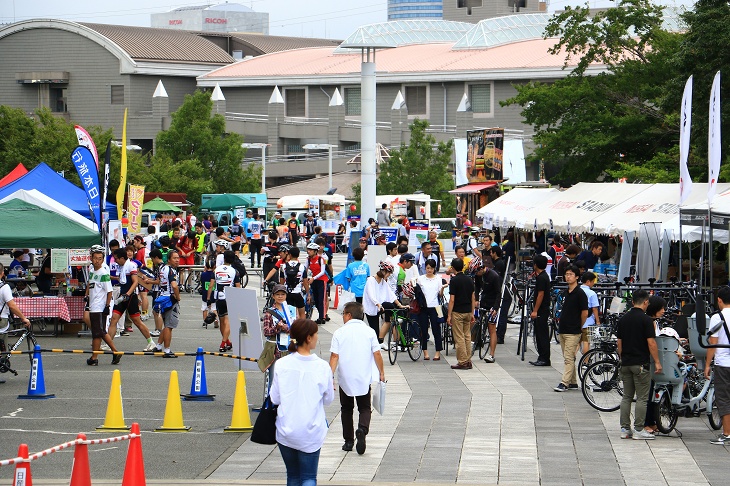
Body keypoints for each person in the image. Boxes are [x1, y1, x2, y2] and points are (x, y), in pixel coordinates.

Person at [269, 318, 334, 486]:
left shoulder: (282, 364)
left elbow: (274, 398)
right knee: (309, 477)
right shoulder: (322, 367)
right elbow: (328, 400)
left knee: (293, 477)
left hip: (286, 430)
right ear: (308, 338)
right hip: (311, 430)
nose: (317, 337)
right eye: (316, 334)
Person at [329, 302, 385, 454]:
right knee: (364, 407)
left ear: (348, 315)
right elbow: (377, 354)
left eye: (343, 314)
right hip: (363, 376)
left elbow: (335, 356)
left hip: (345, 376)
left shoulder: (339, 333)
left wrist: (330, 376)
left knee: (346, 408)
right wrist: (381, 372)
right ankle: (362, 429)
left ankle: (348, 441)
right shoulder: (369, 332)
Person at [616, 289, 661, 440]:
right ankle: (639, 429)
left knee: (627, 397)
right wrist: (657, 362)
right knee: (642, 398)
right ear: (646, 302)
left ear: (633, 301)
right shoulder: (646, 320)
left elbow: (619, 343)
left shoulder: (623, 319)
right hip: (641, 364)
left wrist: (623, 358)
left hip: (626, 363)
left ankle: (625, 429)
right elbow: (651, 343)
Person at [108, 248, 156, 351]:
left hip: (130, 297)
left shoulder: (131, 265)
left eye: (116, 259)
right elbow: (122, 280)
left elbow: (135, 282)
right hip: (122, 296)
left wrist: (128, 294)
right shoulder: (121, 267)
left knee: (137, 322)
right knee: (114, 319)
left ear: (122, 258)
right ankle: (108, 344)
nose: (115, 261)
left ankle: (151, 342)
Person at [553, 265, 588, 392]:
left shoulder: (580, 293)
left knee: (568, 358)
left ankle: (564, 383)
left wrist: (579, 325)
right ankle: (573, 382)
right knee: (568, 357)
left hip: (573, 330)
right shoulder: (566, 292)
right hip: (563, 328)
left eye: (571, 274)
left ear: (577, 277)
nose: (568, 276)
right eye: (566, 274)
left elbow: (585, 312)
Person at [85, 246, 121, 366]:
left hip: (99, 307)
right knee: (98, 332)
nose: (97, 261)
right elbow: (90, 285)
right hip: (93, 304)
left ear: (103, 260)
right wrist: (86, 296)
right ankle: (96, 357)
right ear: (91, 258)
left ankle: (112, 352)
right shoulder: (92, 271)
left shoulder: (103, 273)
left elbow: (109, 291)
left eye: (100, 259)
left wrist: (106, 306)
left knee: (98, 332)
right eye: (95, 258)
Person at [706, 286, 730, 445]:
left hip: (723, 364)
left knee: (724, 398)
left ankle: (727, 433)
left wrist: (707, 364)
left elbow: (713, 344)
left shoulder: (717, 317)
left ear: (719, 300)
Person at [362, 261, 405, 344]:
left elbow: (391, 295)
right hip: (372, 308)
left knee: (391, 308)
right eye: (388, 273)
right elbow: (371, 295)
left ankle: (383, 341)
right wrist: (378, 304)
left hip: (380, 307)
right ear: (383, 271)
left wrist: (400, 305)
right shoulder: (371, 280)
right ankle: (375, 345)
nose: (389, 275)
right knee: (374, 330)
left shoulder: (383, 282)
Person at [207, 250, 241, 352]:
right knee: (228, 321)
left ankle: (226, 341)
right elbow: (238, 287)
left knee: (222, 320)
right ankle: (223, 343)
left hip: (219, 298)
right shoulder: (235, 271)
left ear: (224, 258)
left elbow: (211, 285)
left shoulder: (216, 270)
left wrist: (209, 299)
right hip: (229, 297)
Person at [150, 249, 181, 358]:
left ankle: (158, 346)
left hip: (162, 297)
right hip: (170, 299)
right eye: (174, 258)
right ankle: (167, 350)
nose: (177, 260)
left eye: (178, 258)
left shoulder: (162, 268)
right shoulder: (171, 270)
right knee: (169, 326)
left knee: (166, 324)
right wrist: (178, 297)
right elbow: (174, 285)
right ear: (168, 259)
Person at [447, 258, 476, 369]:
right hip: (468, 311)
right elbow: (473, 297)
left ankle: (462, 361)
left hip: (458, 311)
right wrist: (472, 312)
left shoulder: (454, 281)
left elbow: (452, 300)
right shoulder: (469, 280)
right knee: (467, 337)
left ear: (453, 268)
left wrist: (449, 315)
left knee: (459, 338)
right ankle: (468, 360)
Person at [416, 260, 444, 361]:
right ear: (425, 268)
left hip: (435, 307)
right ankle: (425, 352)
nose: (429, 270)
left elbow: (440, 295)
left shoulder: (438, 279)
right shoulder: (420, 279)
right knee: (423, 330)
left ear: (434, 269)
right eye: (428, 268)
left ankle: (438, 352)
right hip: (423, 307)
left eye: (431, 268)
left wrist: (442, 289)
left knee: (436, 330)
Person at [477, 260, 502, 363]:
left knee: (492, 328)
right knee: (479, 322)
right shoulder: (478, 274)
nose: (476, 274)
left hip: (492, 303)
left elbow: (498, 293)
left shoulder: (494, 276)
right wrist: (475, 299)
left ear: (482, 268)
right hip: (483, 301)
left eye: (477, 272)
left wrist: (495, 308)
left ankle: (491, 354)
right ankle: (477, 342)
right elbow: (477, 286)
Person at [529, 254, 552, 366]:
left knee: (542, 334)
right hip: (542, 309)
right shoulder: (543, 276)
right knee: (539, 333)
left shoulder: (542, 278)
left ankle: (544, 358)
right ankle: (542, 357)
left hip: (542, 310)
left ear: (536, 265)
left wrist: (535, 310)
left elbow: (540, 295)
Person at [304, 242, 328, 324]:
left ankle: (322, 317)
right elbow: (305, 269)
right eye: (308, 250)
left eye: (311, 250)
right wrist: (304, 278)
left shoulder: (321, 259)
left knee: (321, 299)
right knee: (316, 300)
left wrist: (313, 278)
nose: (309, 251)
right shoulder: (308, 259)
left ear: (315, 251)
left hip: (321, 281)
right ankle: (320, 315)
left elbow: (322, 272)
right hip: (313, 281)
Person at [280, 246, 307, 319]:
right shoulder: (302, 267)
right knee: (302, 314)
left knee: (288, 314)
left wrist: (281, 293)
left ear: (290, 255)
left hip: (287, 293)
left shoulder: (283, 266)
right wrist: (308, 293)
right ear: (298, 255)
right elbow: (305, 281)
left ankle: (290, 328)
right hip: (298, 293)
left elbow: (281, 281)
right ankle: (302, 328)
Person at [580, 271, 600, 354]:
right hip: (588, 321)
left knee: (577, 342)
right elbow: (594, 308)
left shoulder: (577, 290)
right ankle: (586, 362)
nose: (593, 284)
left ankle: (571, 360)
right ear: (588, 281)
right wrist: (598, 321)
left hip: (577, 320)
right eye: (592, 282)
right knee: (586, 342)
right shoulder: (592, 293)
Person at [200, 257, 217, 328]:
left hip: (205, 293)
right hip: (213, 293)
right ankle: (216, 320)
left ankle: (205, 321)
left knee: (204, 308)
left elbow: (201, 282)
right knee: (214, 308)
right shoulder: (214, 274)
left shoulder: (203, 274)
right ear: (214, 266)